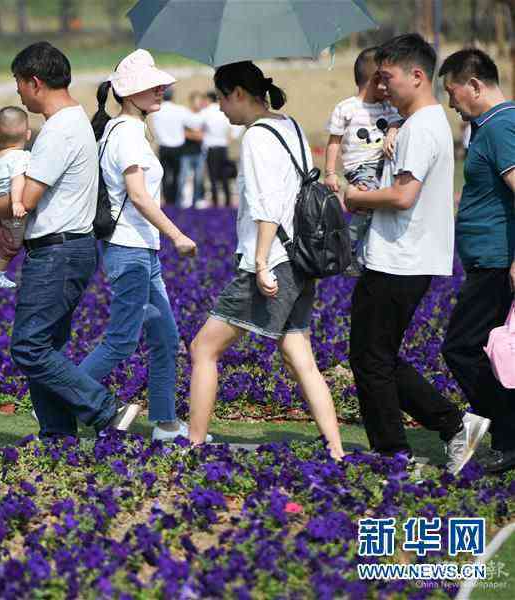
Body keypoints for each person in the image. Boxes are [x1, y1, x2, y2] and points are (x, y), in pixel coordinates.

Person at [344, 34, 490, 475]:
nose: (382, 86)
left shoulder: (423, 127)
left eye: (387, 78)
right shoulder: (417, 126)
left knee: (370, 357)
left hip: (399, 258)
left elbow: (405, 196)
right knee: (376, 355)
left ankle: (397, 452)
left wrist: (355, 197)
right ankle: (448, 427)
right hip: (404, 255)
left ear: (417, 76)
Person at [186, 61, 345, 460]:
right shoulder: (289, 125)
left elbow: (267, 206)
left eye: (222, 98)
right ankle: (337, 450)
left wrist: (259, 263)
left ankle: (193, 445)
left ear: (238, 93)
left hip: (273, 259)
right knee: (299, 355)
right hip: (302, 259)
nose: (220, 108)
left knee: (203, 349)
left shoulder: (257, 136)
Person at [0, 41, 140, 438]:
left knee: (28, 348)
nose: (17, 92)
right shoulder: (72, 123)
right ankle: (57, 437)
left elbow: (28, 199)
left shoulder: (60, 129)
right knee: (45, 348)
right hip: (65, 250)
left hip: (58, 252)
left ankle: (106, 410)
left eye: (19, 83)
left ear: (35, 82)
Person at [84, 49, 205, 442]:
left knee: (166, 339)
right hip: (130, 251)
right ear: (129, 94)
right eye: (151, 87)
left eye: (160, 85)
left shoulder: (124, 132)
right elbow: (138, 196)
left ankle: (166, 424)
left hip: (140, 252)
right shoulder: (128, 136)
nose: (160, 91)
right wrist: (178, 235)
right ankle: (56, 394)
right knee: (121, 340)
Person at [439, 48, 515, 474]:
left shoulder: (502, 125)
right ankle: (505, 436)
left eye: (452, 92)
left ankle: (507, 433)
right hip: (486, 259)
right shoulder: (488, 127)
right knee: (488, 352)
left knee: (461, 348)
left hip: (497, 261)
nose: (451, 103)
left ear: (474, 85)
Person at [324, 47, 402, 276]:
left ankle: (362, 256)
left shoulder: (388, 107)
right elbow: (334, 142)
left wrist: (392, 131)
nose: (389, 87)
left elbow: (397, 123)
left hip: (383, 167)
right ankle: (345, 251)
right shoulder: (346, 108)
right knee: (368, 207)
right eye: (385, 80)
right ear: (375, 80)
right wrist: (330, 173)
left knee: (377, 210)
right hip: (360, 168)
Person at [0, 106, 31, 289]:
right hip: (13, 209)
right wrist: (18, 202)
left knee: (12, 240)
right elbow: (18, 179)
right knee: (13, 244)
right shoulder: (20, 157)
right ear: (27, 135)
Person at [149, 88, 192, 205]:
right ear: (173, 96)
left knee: (164, 174)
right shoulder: (180, 110)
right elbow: (191, 123)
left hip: (164, 147)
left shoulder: (157, 111)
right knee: (177, 174)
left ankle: (167, 199)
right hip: (178, 147)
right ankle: (174, 199)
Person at [200, 90, 242, 207]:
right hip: (223, 147)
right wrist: (231, 137)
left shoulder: (206, 112)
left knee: (213, 177)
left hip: (211, 148)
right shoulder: (222, 111)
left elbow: (195, 123)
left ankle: (215, 202)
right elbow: (235, 128)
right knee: (224, 177)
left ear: (208, 99)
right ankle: (228, 202)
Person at [178, 91, 206, 208]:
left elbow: (202, 135)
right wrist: (196, 133)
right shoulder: (185, 115)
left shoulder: (203, 116)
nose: (198, 104)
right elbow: (184, 133)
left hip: (200, 152)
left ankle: (197, 200)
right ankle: (181, 201)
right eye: (196, 101)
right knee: (183, 178)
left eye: (200, 101)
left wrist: (191, 132)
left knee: (199, 179)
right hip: (186, 152)